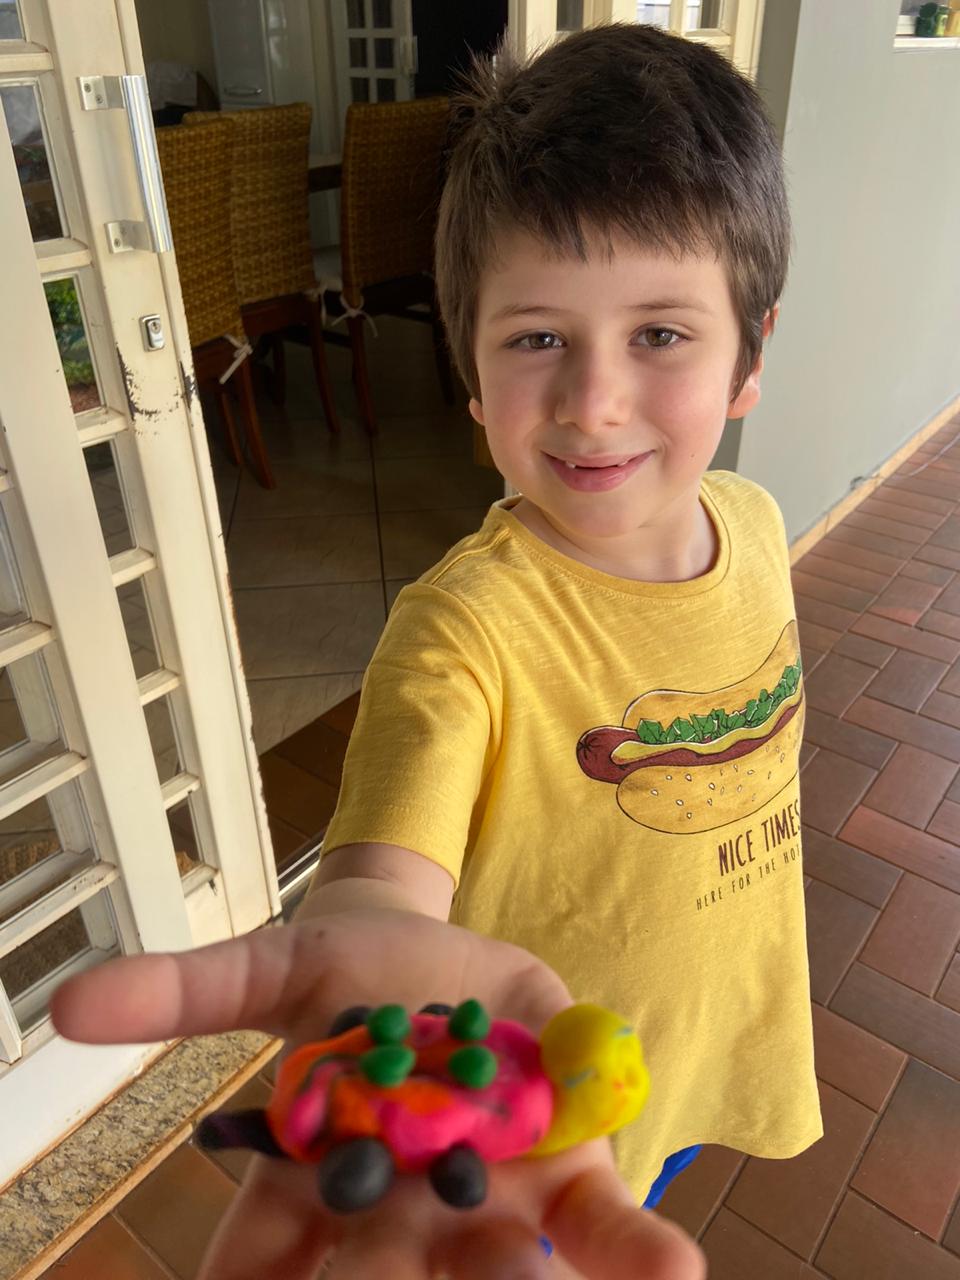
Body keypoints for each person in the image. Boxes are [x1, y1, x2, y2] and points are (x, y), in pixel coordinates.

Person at [52, 22, 823, 1279]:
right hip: (521, 1135)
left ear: (752, 353)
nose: (593, 402)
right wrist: (368, 945)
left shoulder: (757, 521)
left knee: (651, 1189)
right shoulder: (463, 631)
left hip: (691, 1057)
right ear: (469, 369)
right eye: (536, 338)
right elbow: (381, 877)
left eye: (660, 333)